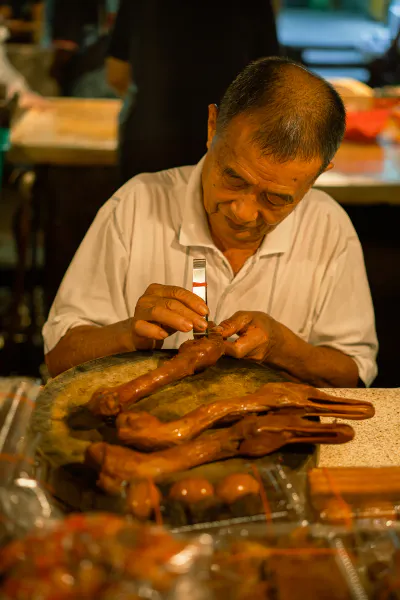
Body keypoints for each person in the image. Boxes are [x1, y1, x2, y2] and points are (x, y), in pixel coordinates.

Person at [43, 57, 378, 388]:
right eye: (233, 178)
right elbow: (58, 357)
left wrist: (283, 348)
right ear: (211, 126)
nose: (243, 213)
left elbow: (353, 373)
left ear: (317, 175)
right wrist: (128, 333)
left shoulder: (328, 227)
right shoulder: (136, 205)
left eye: (275, 198)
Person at [107, 0, 280, 183]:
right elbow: (270, 80)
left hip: (150, 140)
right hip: (224, 144)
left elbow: (116, 74)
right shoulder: (254, 4)